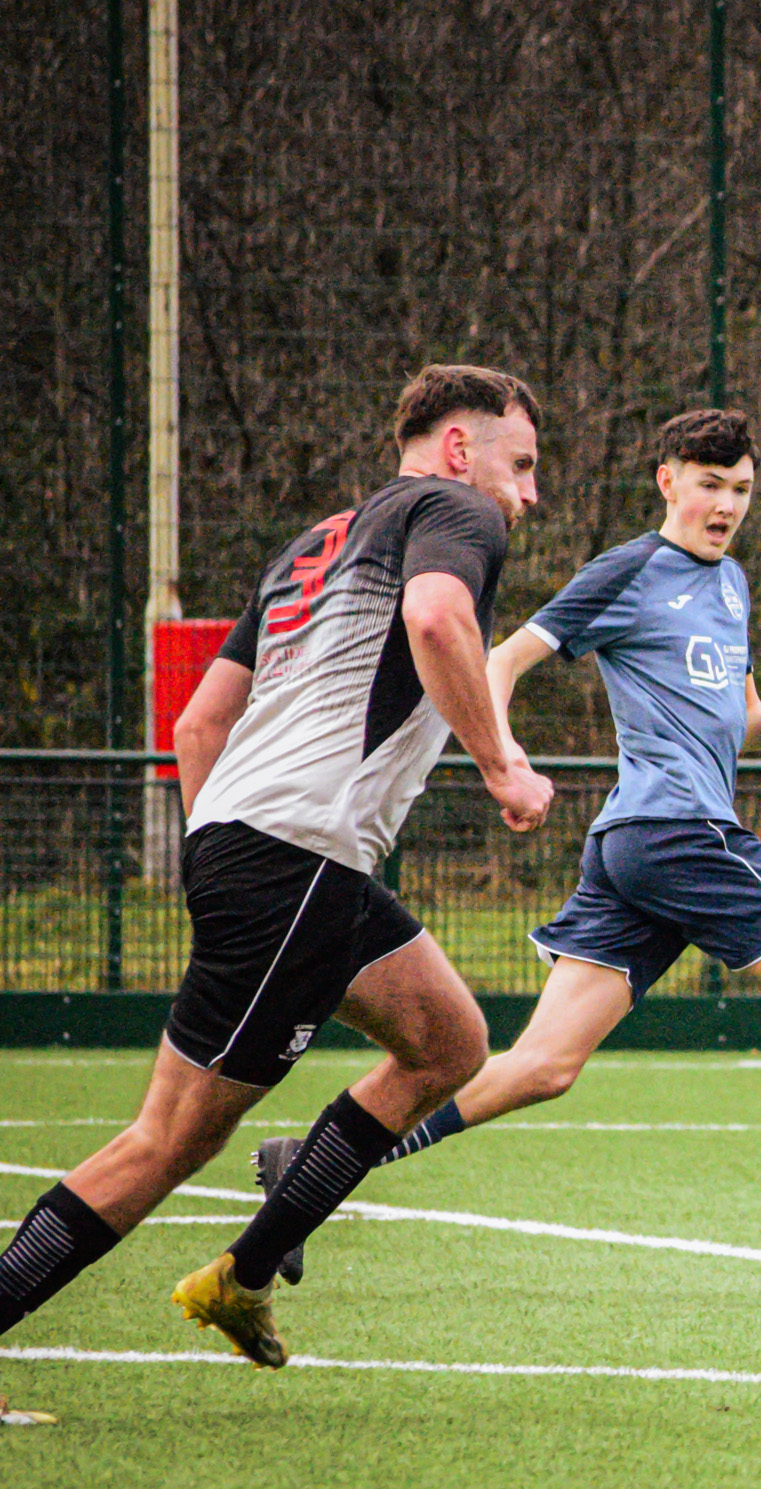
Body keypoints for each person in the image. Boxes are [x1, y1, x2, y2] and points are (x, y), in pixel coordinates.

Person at [254, 408, 761, 1290]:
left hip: (637, 847)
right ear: (668, 480)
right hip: (678, 834)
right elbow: (500, 661)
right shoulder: (629, 570)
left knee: (542, 1066)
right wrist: (505, 757)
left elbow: (729, 726)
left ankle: (308, 1171)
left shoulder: (733, 585)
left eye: (742, 490)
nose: (725, 505)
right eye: (710, 484)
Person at [0, 364, 557, 1372]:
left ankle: (241, 1276)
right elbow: (438, 620)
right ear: (461, 449)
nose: (529, 495)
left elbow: (199, 721)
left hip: (279, 856)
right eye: (521, 466)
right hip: (293, 864)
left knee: (447, 1039)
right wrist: (501, 764)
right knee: (167, 1140)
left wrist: (220, 851)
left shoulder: (317, 543)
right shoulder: (456, 512)